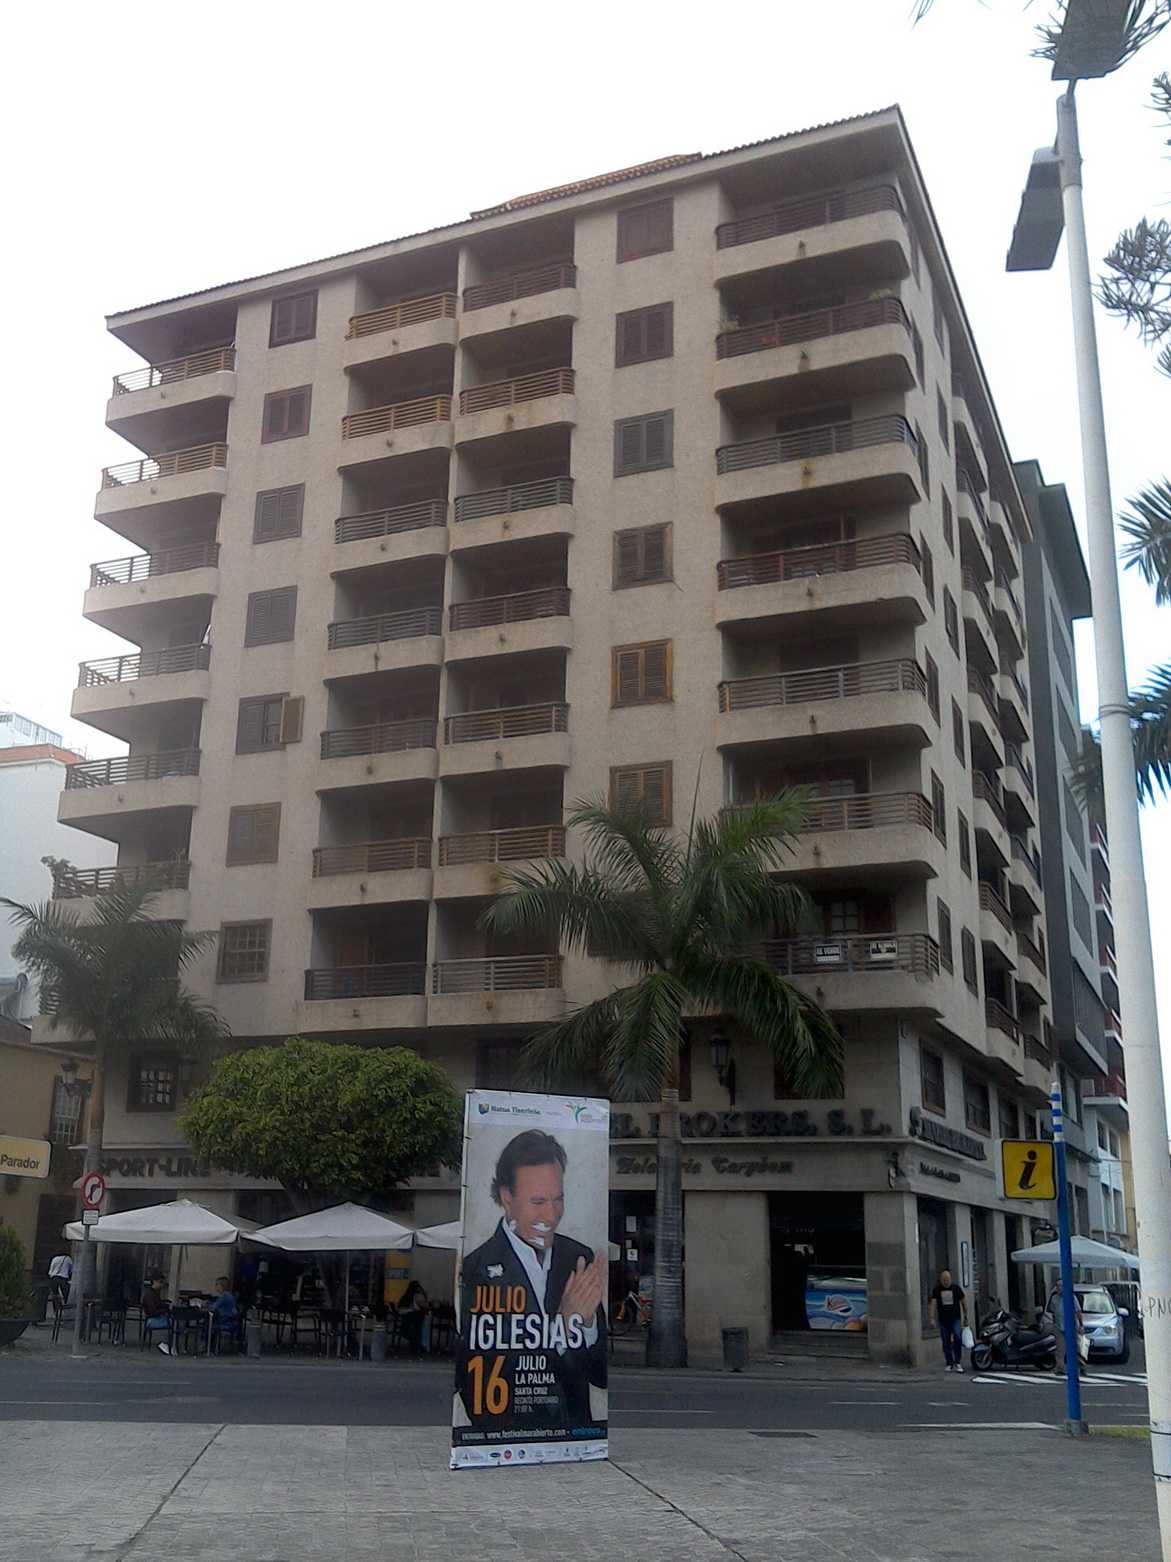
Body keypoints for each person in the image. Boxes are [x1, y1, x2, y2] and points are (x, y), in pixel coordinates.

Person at [455, 1129, 606, 1433]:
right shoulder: (475, 1269)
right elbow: (472, 1382)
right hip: (507, 1441)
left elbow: (601, 1375)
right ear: (506, 1197)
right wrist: (562, 1328)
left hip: (573, 1442)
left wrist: (585, 1328)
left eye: (558, 1199)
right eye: (538, 1201)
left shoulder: (577, 1259)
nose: (551, 1215)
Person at [928, 1268, 968, 1373]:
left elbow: (963, 1301)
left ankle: (957, 1361)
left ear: (951, 1279)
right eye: (944, 1280)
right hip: (943, 1319)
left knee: (957, 1337)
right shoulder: (937, 1290)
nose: (946, 1282)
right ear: (941, 1280)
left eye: (948, 1280)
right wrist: (932, 1318)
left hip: (955, 1318)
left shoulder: (956, 1289)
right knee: (945, 1341)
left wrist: (966, 1315)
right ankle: (949, 1362)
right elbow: (933, 1304)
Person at [1045, 1276, 1084, 1378]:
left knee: (1075, 1348)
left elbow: (1078, 1312)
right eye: (1057, 1286)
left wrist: (1081, 1325)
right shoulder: (1054, 1298)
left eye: (1060, 1286)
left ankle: (1081, 1366)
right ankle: (1060, 1368)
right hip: (1059, 1326)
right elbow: (1052, 1312)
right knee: (1060, 1349)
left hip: (1071, 1326)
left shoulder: (1071, 1297)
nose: (1058, 1288)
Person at [141, 1272, 172, 1354]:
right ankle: (168, 1345)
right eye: (160, 1282)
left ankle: (168, 1345)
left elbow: (159, 1305)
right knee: (173, 1323)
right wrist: (164, 1311)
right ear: (154, 1282)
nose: (162, 1285)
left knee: (172, 1321)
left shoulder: (154, 1293)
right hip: (152, 1319)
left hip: (154, 1317)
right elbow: (152, 1311)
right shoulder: (150, 1295)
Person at [397, 1280, 429, 1355]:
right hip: (409, 1321)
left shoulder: (416, 1296)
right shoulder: (407, 1298)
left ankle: (417, 1347)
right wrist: (412, 1308)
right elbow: (401, 1310)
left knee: (419, 1326)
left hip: (414, 1320)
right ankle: (417, 1347)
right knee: (417, 1328)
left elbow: (422, 1307)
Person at [209, 1276, 240, 1349]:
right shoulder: (230, 1296)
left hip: (225, 1320)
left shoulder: (224, 1297)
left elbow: (213, 1307)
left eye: (217, 1284)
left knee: (207, 1325)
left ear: (222, 1286)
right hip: (231, 1320)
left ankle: (209, 1346)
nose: (215, 1287)